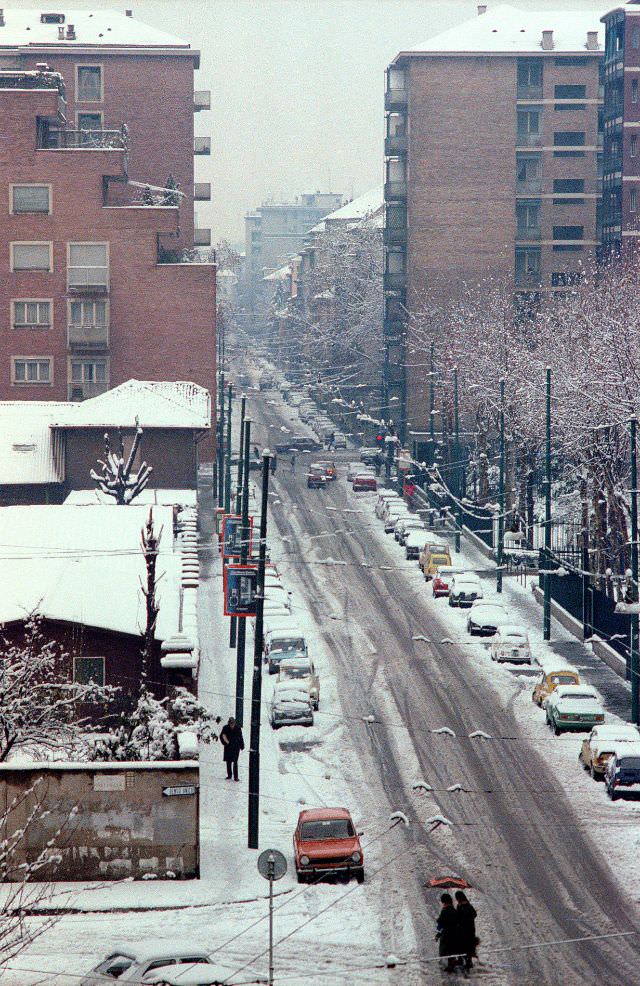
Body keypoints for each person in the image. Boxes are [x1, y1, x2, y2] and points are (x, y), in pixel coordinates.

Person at [436, 893, 461, 973]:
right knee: (452, 949)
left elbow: (441, 923)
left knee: (446, 949)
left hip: (446, 934)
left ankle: (450, 966)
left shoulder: (444, 911)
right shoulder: (454, 910)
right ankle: (452, 962)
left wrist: (438, 934)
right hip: (455, 933)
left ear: (444, 902)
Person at [455, 891, 478, 971]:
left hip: (465, 930)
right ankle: (463, 960)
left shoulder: (464, 907)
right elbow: (475, 914)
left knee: (465, 945)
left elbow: (460, 918)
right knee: (465, 945)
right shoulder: (465, 906)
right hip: (470, 930)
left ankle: (468, 962)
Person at [220, 717, 244, 781]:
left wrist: (242, 745)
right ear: (229, 723)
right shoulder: (225, 728)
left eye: (233, 723)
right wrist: (226, 742)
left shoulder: (238, 728)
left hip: (236, 747)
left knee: (235, 762)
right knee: (228, 762)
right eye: (231, 723)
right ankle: (229, 775)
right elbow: (222, 736)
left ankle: (236, 777)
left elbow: (240, 737)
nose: (232, 725)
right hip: (228, 747)